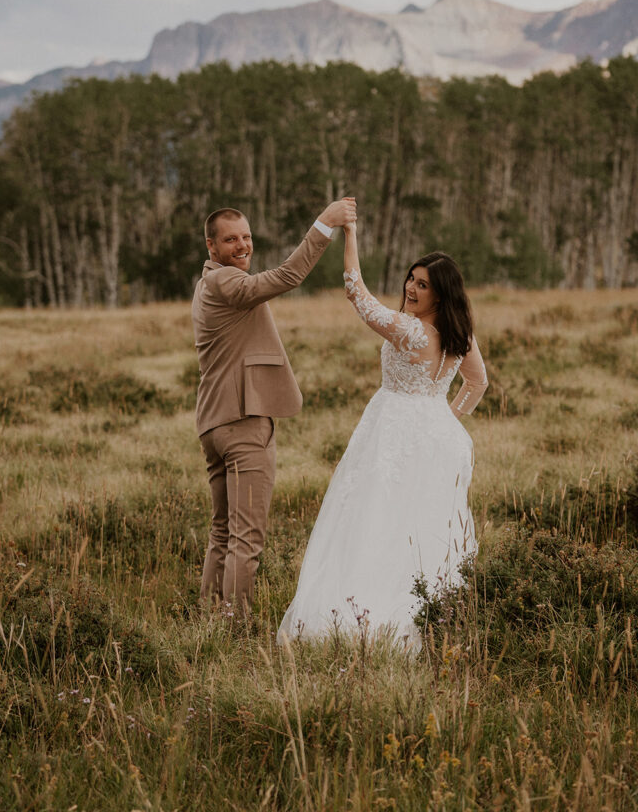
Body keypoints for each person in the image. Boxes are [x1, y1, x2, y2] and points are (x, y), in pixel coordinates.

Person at [278, 219, 488, 645]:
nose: (411, 288)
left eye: (423, 285)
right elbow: (476, 383)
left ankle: (363, 616)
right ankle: (432, 614)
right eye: (411, 279)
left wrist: (350, 235)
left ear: (441, 294)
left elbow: (357, 293)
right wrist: (444, 420)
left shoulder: (411, 330)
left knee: (374, 515)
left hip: (391, 430)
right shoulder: (458, 333)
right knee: (416, 520)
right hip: (431, 436)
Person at [192, 198, 357, 614]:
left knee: (223, 532)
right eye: (231, 240)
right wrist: (324, 224)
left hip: (214, 423)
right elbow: (288, 275)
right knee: (245, 538)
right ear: (211, 246)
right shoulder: (226, 283)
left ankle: (210, 618)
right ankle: (236, 629)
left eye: (246, 237)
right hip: (242, 422)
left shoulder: (207, 284)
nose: (242, 246)